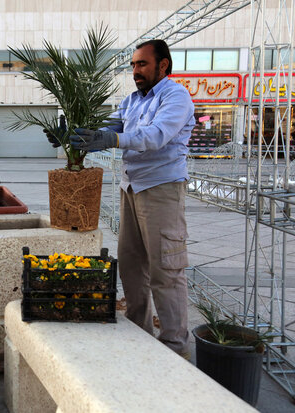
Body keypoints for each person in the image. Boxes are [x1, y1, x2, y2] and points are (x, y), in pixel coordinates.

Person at [57, 39, 195, 357]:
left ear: (163, 65)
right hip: (131, 189)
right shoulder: (132, 101)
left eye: (142, 64)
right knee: (132, 266)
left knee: (166, 269)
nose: (135, 70)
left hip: (161, 191)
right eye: (133, 65)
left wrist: (112, 139)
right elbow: (109, 125)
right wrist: (75, 133)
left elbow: (156, 135)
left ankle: (175, 346)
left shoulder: (176, 96)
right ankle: (139, 333)